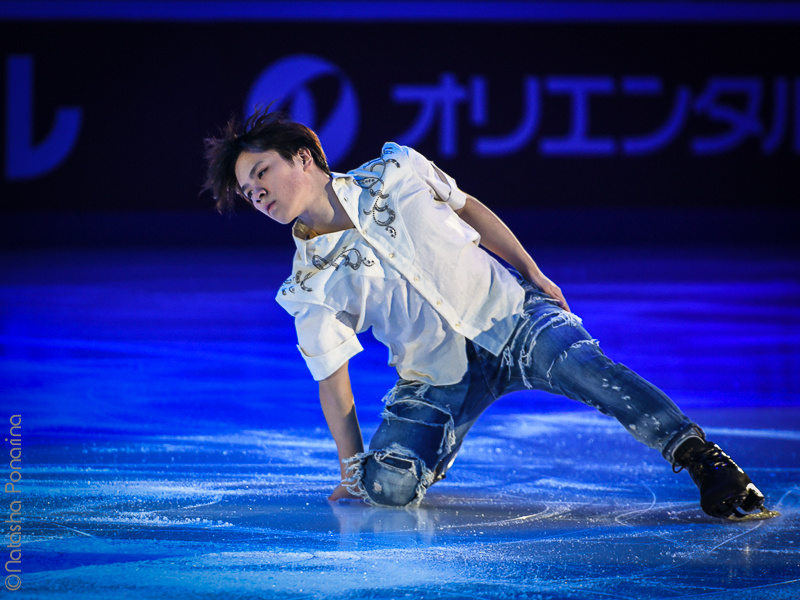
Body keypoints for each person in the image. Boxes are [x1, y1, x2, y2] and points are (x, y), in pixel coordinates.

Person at [203, 108, 774, 521]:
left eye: (261, 174)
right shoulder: (308, 283)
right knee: (388, 488)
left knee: (586, 366)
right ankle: (437, 444)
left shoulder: (396, 171)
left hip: (511, 318)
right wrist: (353, 472)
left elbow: (467, 206)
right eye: (248, 194)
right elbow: (335, 382)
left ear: (303, 157)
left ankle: (700, 456)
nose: (258, 194)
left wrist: (531, 270)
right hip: (435, 376)